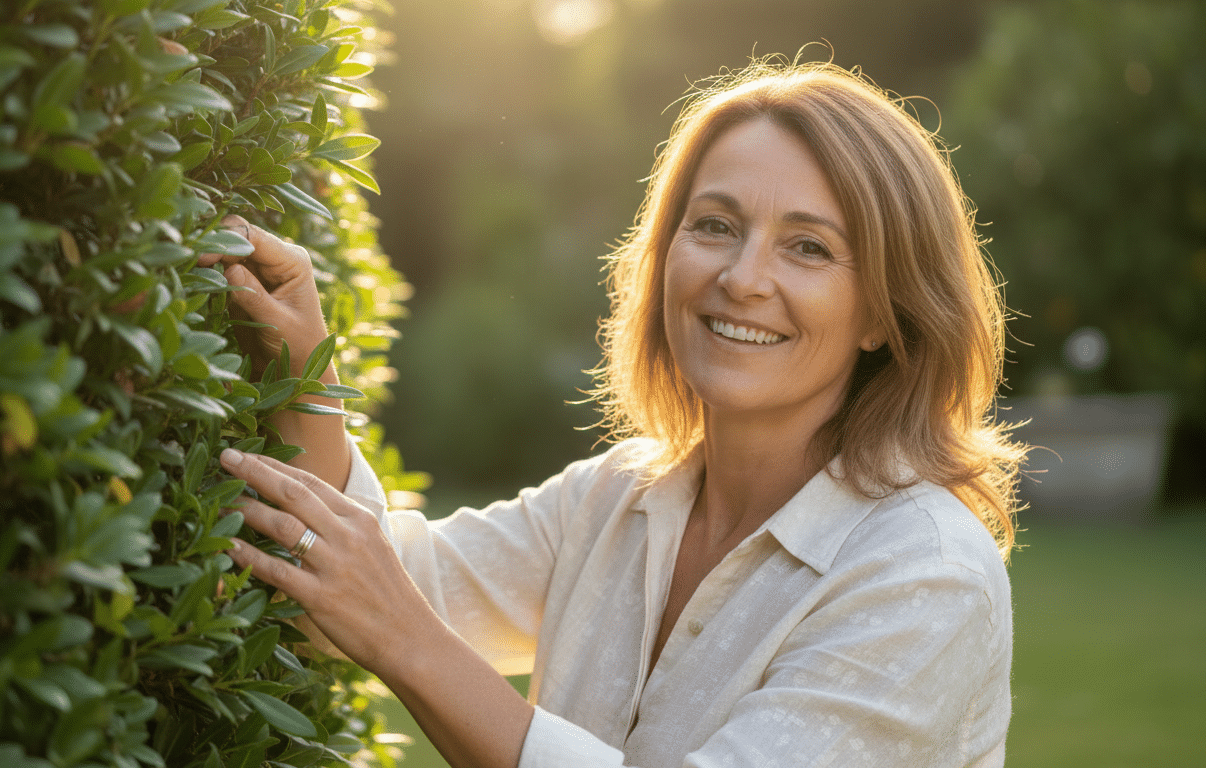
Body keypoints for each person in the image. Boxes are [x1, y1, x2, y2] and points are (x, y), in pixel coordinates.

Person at [201, 58, 1026, 768]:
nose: (742, 277)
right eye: (715, 226)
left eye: (807, 246)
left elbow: (392, 614)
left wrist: (405, 638)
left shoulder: (926, 575)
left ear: (886, 312)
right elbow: (358, 595)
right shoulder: (619, 496)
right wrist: (304, 371)